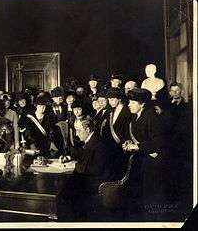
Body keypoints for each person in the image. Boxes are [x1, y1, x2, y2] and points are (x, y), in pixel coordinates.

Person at [57, 118, 115, 221]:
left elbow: (97, 170)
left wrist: (75, 166)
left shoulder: (99, 144)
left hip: (95, 182)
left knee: (63, 191)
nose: (76, 134)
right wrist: (69, 158)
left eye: (79, 130)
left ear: (87, 129)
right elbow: (82, 154)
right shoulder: (91, 140)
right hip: (89, 178)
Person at [123, 88, 167, 219]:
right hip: (141, 161)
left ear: (142, 104)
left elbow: (159, 142)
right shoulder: (137, 116)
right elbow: (139, 136)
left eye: (132, 102)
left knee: (149, 197)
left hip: (152, 163)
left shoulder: (151, 116)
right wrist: (128, 141)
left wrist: (137, 146)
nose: (129, 105)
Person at [100, 88, 132, 179]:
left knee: (121, 172)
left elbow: (129, 130)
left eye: (113, 99)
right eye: (109, 99)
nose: (110, 102)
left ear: (119, 99)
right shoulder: (111, 111)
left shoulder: (127, 111)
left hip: (122, 147)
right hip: (111, 147)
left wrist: (125, 142)